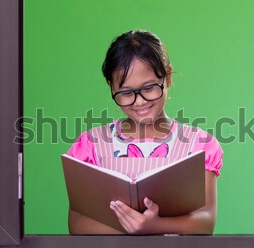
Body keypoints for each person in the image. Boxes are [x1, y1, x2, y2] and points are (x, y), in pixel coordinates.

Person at [66, 30, 223, 235]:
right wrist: (132, 228)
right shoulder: (91, 145)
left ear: (167, 76)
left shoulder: (199, 145)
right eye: (126, 92)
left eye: (149, 88)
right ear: (111, 87)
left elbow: (206, 222)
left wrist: (154, 226)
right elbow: (76, 224)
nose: (139, 101)